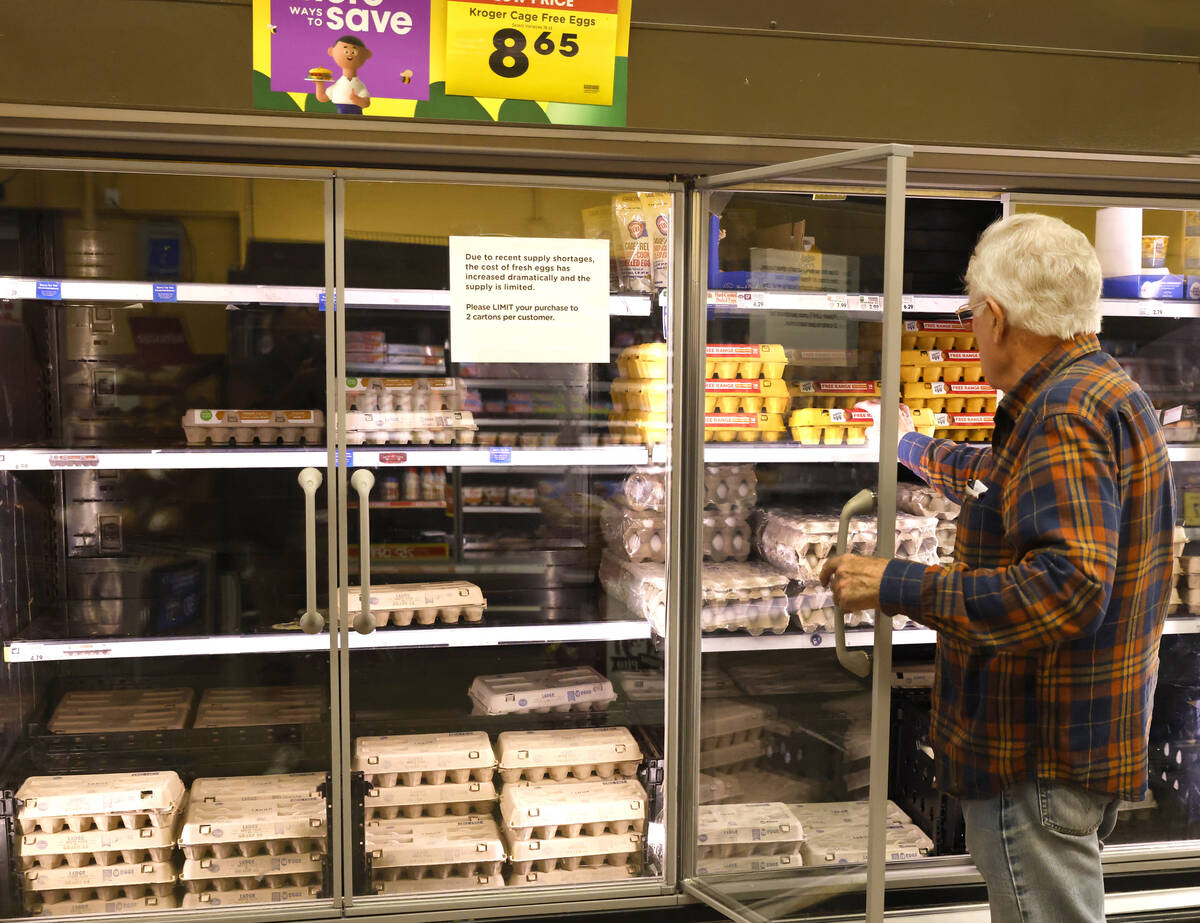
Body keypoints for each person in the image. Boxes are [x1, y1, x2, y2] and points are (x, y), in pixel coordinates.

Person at [821, 213, 1175, 922]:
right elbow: (1006, 480)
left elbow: (1066, 590)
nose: (972, 329)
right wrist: (915, 448)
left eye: (969, 315)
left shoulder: (1062, 414)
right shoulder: (1099, 389)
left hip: (1036, 752)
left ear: (995, 316)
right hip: (1080, 735)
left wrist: (895, 582)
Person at [314, 35, 372, 115]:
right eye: (346, 51)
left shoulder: (360, 85)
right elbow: (322, 98)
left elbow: (366, 103)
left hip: (357, 115)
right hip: (341, 114)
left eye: (353, 52)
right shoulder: (338, 84)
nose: (349, 55)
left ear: (366, 54)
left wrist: (356, 99)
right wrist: (319, 84)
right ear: (331, 51)